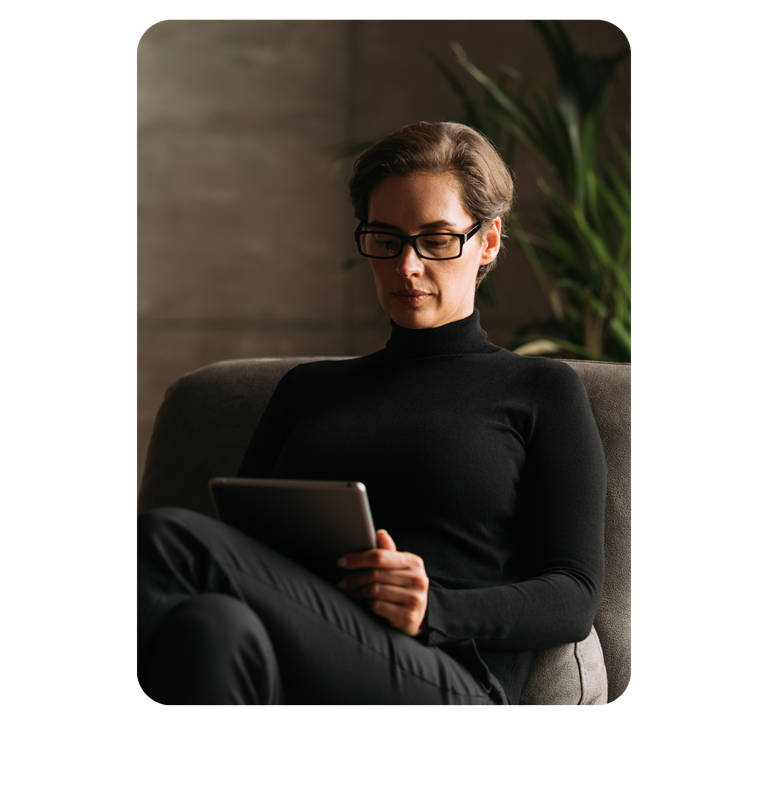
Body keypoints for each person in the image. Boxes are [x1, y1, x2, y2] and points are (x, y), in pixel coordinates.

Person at [137, 121, 607, 705]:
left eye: (436, 240)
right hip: (299, 652)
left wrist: (434, 606)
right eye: (386, 239)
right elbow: (242, 549)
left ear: (487, 241)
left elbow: (574, 593)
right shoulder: (307, 389)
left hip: (447, 677)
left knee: (166, 539)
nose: (406, 265)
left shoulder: (541, 390)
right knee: (208, 627)